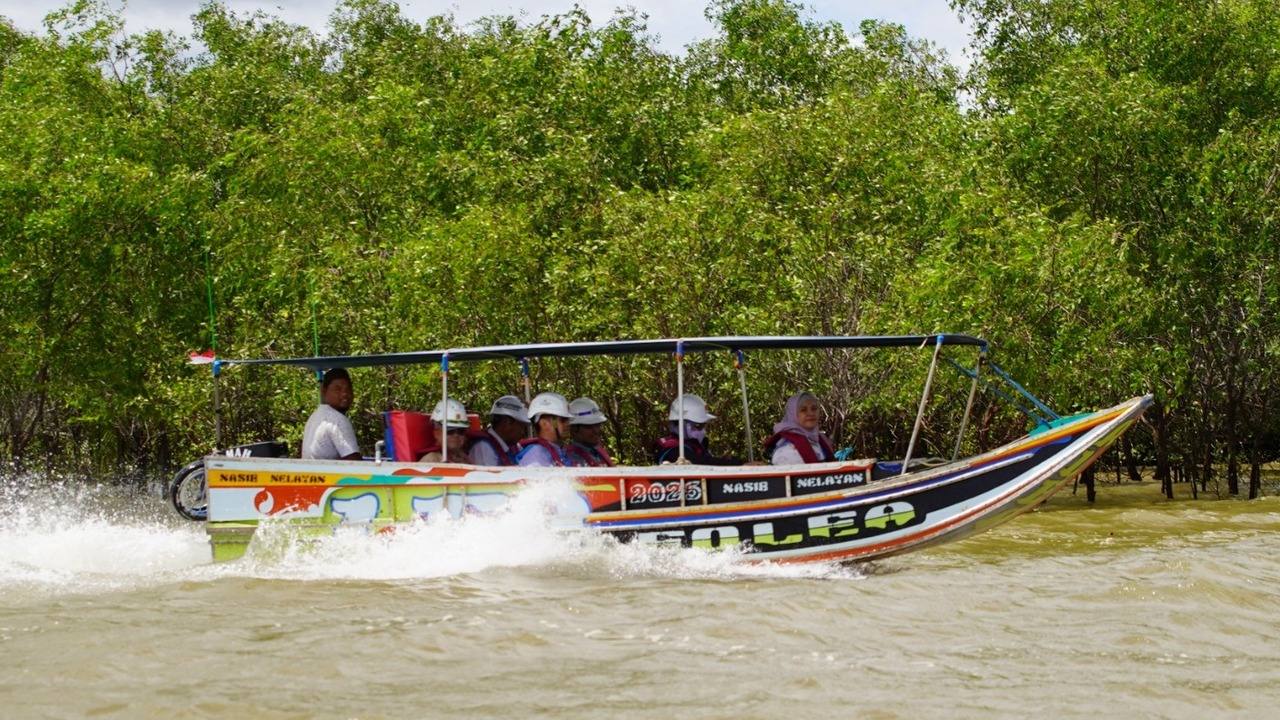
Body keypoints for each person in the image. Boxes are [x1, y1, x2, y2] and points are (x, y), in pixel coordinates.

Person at [652, 394, 742, 465]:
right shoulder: (674, 450)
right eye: (699, 426)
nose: (703, 431)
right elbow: (702, 464)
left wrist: (724, 460)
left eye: (704, 425)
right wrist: (739, 464)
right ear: (682, 425)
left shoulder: (690, 446)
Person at [302, 368, 362, 460]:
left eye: (348, 389)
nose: (344, 394)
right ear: (324, 391)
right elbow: (353, 462)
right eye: (338, 389)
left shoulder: (315, 416)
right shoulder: (337, 420)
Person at [764, 391, 835, 465]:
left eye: (814, 408)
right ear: (793, 414)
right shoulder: (787, 450)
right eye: (803, 410)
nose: (810, 413)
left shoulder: (820, 439)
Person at [467, 395, 530, 466]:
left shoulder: (513, 446)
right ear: (507, 422)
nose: (523, 433)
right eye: (522, 427)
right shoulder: (484, 448)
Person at [514, 392, 573, 467]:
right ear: (544, 424)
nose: (568, 424)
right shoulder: (536, 455)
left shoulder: (554, 451)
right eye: (563, 420)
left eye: (568, 420)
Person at [563, 397, 615, 467]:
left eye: (597, 425)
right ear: (574, 429)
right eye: (588, 426)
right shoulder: (571, 458)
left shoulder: (597, 451)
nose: (596, 431)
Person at [420, 398, 472, 464]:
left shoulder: (464, 458)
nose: (456, 435)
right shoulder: (431, 459)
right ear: (436, 433)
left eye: (460, 431)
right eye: (450, 430)